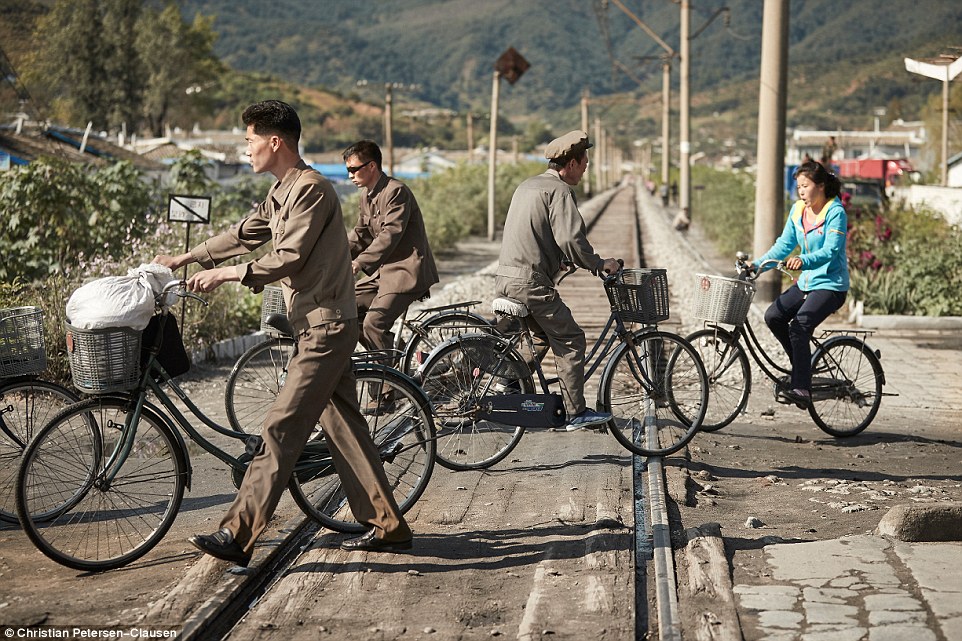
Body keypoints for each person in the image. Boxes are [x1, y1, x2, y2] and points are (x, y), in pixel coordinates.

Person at [154, 100, 412, 566]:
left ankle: (238, 532)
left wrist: (230, 275)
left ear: (276, 142)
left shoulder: (312, 189)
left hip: (326, 328)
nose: (245, 148)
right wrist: (187, 259)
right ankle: (388, 525)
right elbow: (245, 233)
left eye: (250, 140)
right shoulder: (282, 192)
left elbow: (288, 255)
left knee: (280, 427)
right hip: (320, 325)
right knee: (347, 431)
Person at [495, 130, 621, 431]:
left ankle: (507, 381)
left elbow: (539, 233)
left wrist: (557, 258)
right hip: (530, 284)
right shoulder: (560, 191)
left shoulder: (527, 185)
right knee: (572, 338)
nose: (586, 168)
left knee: (540, 337)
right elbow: (570, 237)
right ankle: (576, 412)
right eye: (585, 162)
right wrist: (598, 264)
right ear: (572, 163)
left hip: (506, 277)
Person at [751, 160, 848, 408]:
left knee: (799, 325)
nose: (801, 191)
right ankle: (802, 368)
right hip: (806, 283)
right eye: (799, 187)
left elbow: (830, 251)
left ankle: (802, 388)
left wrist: (803, 260)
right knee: (773, 316)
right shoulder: (797, 211)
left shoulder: (835, 212)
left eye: (805, 186)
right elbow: (783, 245)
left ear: (821, 185)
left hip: (830, 285)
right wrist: (757, 265)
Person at [342, 140, 439, 378]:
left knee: (373, 323)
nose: (350, 175)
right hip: (383, 272)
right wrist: (334, 256)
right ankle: (395, 357)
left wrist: (359, 263)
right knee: (346, 310)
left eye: (354, 169)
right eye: (348, 171)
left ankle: (388, 387)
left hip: (406, 271)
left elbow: (390, 235)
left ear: (372, 166)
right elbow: (360, 234)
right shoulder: (366, 196)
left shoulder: (396, 191)